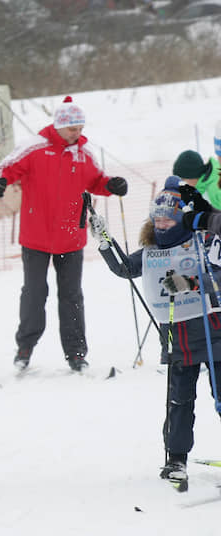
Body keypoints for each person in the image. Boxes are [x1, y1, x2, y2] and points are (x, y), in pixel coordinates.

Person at [92, 176, 221, 489]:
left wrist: (188, 283)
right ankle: (176, 459)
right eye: (158, 218)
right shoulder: (151, 250)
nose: (163, 225)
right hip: (178, 337)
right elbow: (124, 269)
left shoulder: (202, 241)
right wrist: (104, 240)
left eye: (169, 218)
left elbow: (217, 276)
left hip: (213, 334)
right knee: (179, 400)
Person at [0, 96, 128, 372]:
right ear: (60, 126)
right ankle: (25, 347)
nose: (78, 133)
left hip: (71, 237)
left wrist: (111, 185)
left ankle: (76, 352)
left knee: (72, 296)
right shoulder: (34, 147)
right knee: (34, 293)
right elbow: (5, 168)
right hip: (36, 236)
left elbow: (96, 180)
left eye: (81, 127)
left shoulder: (83, 153)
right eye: (73, 128)